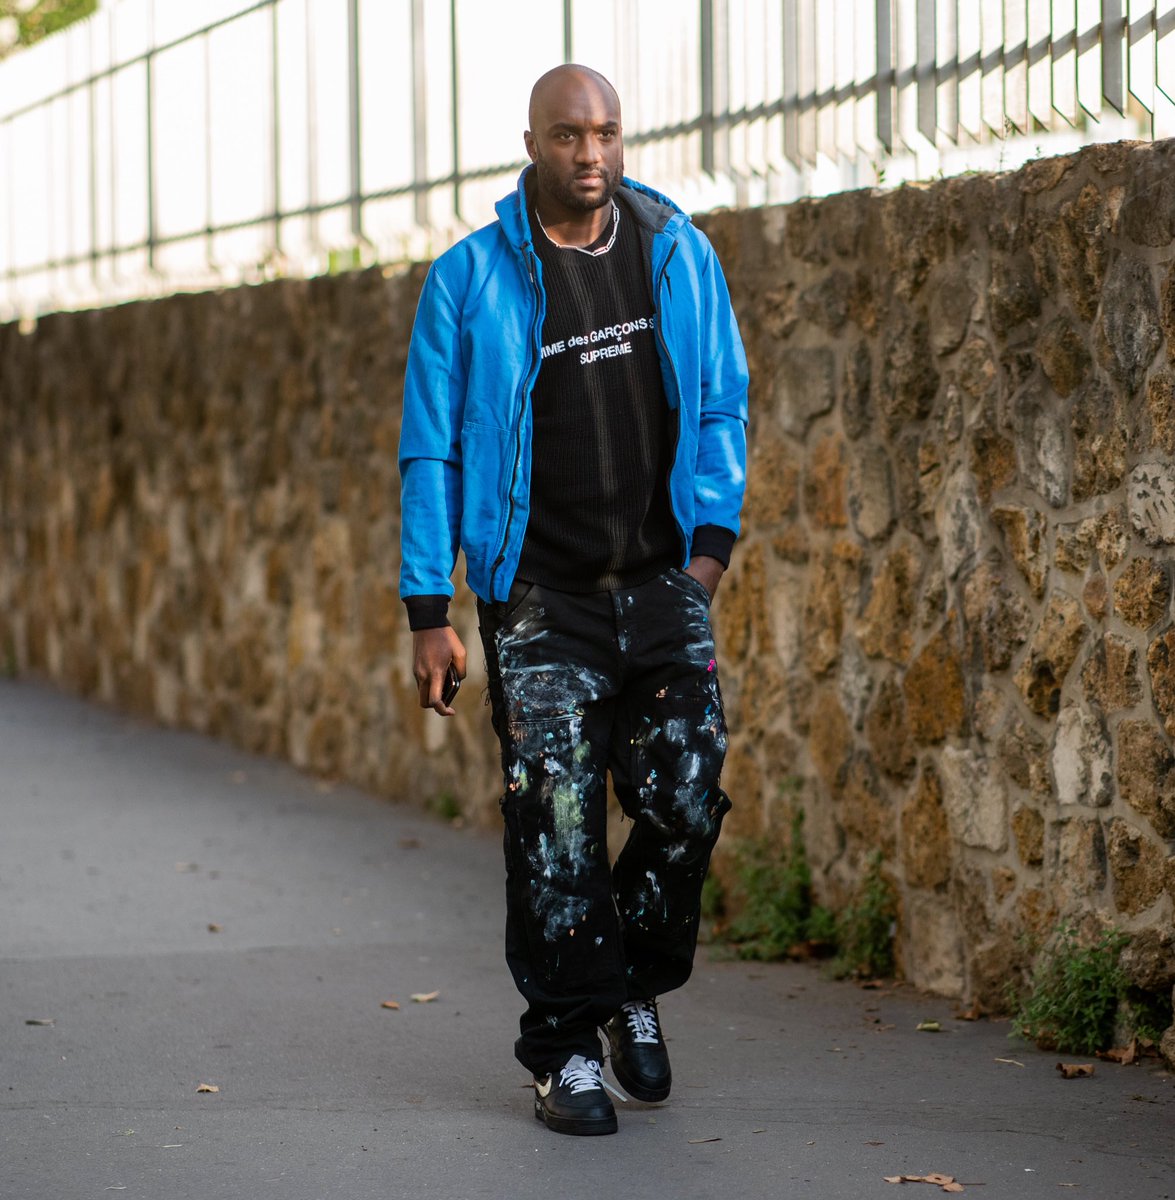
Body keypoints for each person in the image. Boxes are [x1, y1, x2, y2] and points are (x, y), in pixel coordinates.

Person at [398, 64, 748, 1136]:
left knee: (685, 794)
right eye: (566, 136)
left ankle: (623, 986)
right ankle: (561, 1050)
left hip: (657, 588)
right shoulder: (467, 281)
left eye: (603, 133)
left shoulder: (677, 254)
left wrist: (705, 554)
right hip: (539, 601)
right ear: (532, 144)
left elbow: (720, 402)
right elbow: (429, 454)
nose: (589, 153)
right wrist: (429, 611)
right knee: (552, 821)